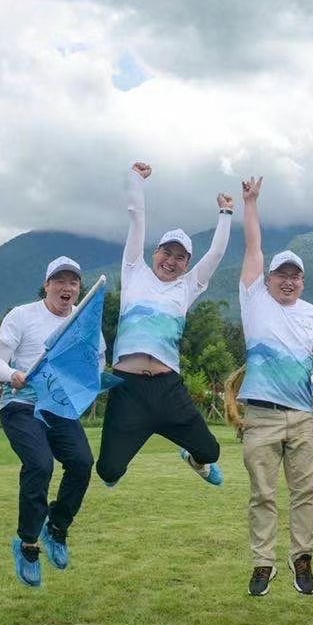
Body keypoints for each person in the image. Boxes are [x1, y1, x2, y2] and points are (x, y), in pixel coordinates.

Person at [95, 163, 233, 489]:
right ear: (155, 252)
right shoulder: (133, 271)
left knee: (209, 450)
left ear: (187, 264)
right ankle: (134, 439)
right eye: (167, 252)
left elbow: (215, 254)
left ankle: (191, 458)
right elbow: (136, 218)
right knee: (108, 472)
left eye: (180, 257)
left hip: (167, 386)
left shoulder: (187, 287)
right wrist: (136, 181)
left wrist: (226, 212)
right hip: (127, 388)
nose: (171, 261)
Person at [236, 177, 313, 597]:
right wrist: (251, 202)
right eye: (281, 274)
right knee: (262, 494)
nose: (289, 281)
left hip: (301, 418)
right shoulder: (254, 299)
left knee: (306, 492)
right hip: (260, 416)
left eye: (296, 276)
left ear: (304, 282)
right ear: (268, 278)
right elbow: (253, 247)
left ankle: (302, 558)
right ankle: (264, 563)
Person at [0, 256, 101, 588]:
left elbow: (94, 362)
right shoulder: (22, 315)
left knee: (82, 462)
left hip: (59, 407)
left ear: (79, 288)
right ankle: (27, 544)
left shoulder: (83, 322)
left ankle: (56, 528)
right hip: (20, 405)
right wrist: (14, 375)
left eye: (73, 282)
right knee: (40, 464)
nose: (66, 288)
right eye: (60, 281)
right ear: (47, 284)